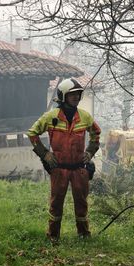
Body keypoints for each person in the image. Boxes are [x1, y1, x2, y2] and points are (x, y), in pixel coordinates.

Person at [27, 78, 101, 242]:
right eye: (72, 94)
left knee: (81, 203)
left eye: (78, 94)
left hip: (79, 168)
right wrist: (45, 154)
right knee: (56, 203)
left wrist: (90, 152)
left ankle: (84, 235)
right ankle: (53, 236)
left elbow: (96, 133)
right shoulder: (51, 117)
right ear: (63, 96)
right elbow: (32, 133)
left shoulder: (85, 117)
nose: (76, 97)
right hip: (58, 168)